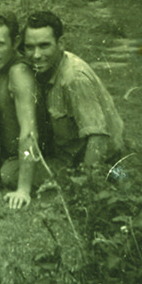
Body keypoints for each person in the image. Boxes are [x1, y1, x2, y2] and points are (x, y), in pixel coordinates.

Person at [22, 11, 125, 177]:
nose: (36, 55)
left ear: (61, 43)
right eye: (29, 47)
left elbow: (98, 138)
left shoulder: (74, 78)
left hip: (99, 162)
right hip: (66, 155)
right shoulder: (44, 69)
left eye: (44, 46)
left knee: (11, 173)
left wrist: (84, 184)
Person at [0, 10, 39, 209]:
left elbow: (28, 132)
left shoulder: (19, 72)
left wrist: (23, 188)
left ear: (15, 43)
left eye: (0, 44)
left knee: (7, 174)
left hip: (27, 157)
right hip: (4, 154)